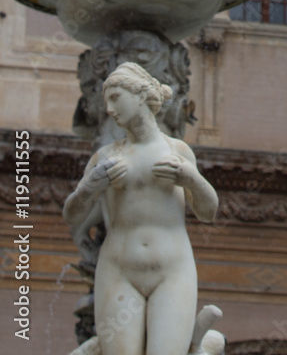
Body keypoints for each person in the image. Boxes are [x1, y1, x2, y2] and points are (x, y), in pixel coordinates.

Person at [64, 62, 218, 355]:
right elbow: (71, 215)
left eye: (115, 98)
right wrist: (89, 187)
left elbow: (209, 212)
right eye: (106, 101)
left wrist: (191, 178)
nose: (109, 109)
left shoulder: (178, 151)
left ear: (140, 96)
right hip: (119, 270)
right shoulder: (105, 156)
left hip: (172, 270)